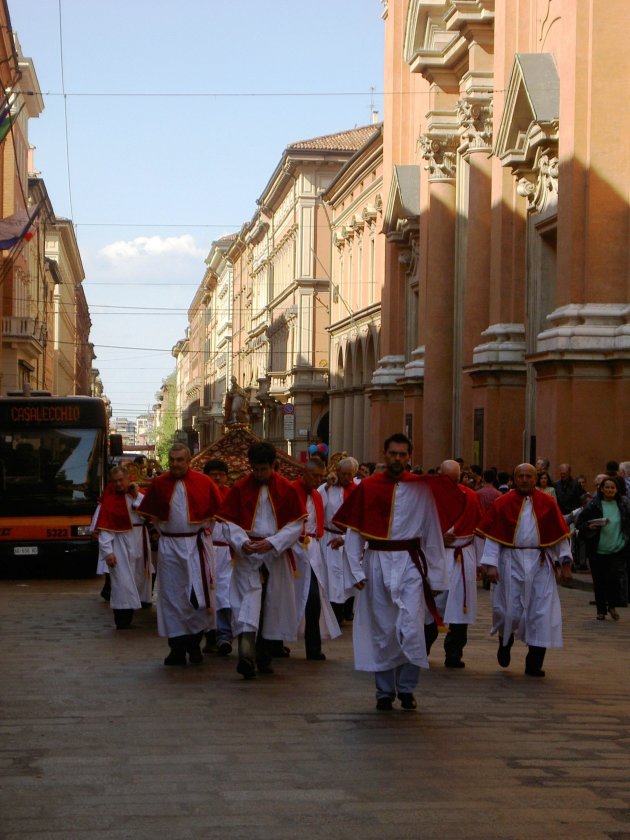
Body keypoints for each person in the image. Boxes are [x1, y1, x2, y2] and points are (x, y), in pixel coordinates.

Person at [333, 433, 465, 712]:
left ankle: (406, 688)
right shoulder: (368, 487)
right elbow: (355, 531)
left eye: (402, 454)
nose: (397, 458)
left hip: (410, 565)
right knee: (382, 629)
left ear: (409, 457)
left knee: (411, 627)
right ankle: (383, 691)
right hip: (377, 562)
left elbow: (431, 533)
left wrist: (437, 577)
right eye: (392, 453)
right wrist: (355, 571)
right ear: (385, 454)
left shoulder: (421, 489)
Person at [215, 442, 307, 680]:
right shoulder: (240, 488)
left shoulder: (287, 489)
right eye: (255, 469)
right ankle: (246, 654)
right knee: (247, 603)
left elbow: (296, 525)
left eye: (263, 469)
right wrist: (241, 541)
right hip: (248, 555)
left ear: (273, 466)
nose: (259, 474)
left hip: (274, 556)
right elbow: (228, 522)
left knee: (272, 606)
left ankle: (264, 656)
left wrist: (274, 543)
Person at [477, 463, 572, 677]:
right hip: (510, 561)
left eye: (529, 476)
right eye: (520, 476)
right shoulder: (502, 503)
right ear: (514, 479)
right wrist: (490, 565)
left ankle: (535, 661)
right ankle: (505, 640)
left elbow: (559, 535)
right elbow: (493, 537)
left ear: (536, 478)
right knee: (507, 609)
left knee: (541, 612)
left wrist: (565, 563)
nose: (524, 480)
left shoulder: (548, 503)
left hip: (539, 563)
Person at [138, 443, 223, 666]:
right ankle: (176, 648)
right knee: (171, 598)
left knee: (199, 596)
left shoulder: (204, 483)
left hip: (196, 546)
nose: (175, 464)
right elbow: (151, 515)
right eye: (172, 460)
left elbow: (217, 515)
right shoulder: (159, 484)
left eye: (180, 460)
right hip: (170, 548)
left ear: (189, 460)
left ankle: (194, 643)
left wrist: (203, 536)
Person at [435, 460, 483, 669]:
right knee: (430, 604)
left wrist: (483, 563)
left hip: (463, 556)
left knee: (460, 607)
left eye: (455, 480)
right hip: (437, 556)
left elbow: (480, 530)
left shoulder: (471, 497)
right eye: (447, 480)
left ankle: (454, 653)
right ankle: (421, 646)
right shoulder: (429, 497)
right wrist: (437, 537)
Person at [291, 459, 341, 660]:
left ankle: (313, 647)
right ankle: (272, 643)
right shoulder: (291, 491)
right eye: (315, 476)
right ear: (305, 473)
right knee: (282, 597)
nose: (317, 480)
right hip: (291, 548)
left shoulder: (318, 496)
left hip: (311, 549)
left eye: (320, 476)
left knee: (313, 599)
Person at [93, 466, 152, 629]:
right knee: (121, 579)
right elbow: (105, 527)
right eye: (115, 481)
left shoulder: (139, 493)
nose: (118, 484)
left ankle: (137, 606)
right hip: (119, 540)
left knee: (138, 576)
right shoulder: (110, 498)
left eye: (121, 480)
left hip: (140, 537)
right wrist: (108, 552)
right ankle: (122, 616)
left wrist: (135, 494)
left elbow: (148, 511)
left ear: (128, 478)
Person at [576, 477, 630, 620]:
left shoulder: (623, 504)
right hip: (597, 549)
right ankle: (601, 610)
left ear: (617, 489)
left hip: (617, 548)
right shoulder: (594, 504)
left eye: (612, 487)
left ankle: (612, 606)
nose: (609, 490)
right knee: (599, 580)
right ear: (601, 489)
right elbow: (580, 523)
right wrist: (589, 526)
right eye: (607, 487)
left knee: (614, 579)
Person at [318, 456, 360, 624]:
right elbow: (318, 503)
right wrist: (327, 485)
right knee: (331, 577)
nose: (347, 478)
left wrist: (345, 538)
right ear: (337, 472)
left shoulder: (357, 490)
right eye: (344, 474)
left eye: (350, 474)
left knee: (349, 575)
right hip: (329, 537)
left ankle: (347, 610)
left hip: (350, 538)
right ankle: (334, 613)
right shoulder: (327, 488)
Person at [202, 459, 233, 656]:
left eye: (221, 474)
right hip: (206, 550)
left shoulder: (232, 496)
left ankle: (224, 635)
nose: (218, 477)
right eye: (213, 474)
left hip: (227, 554)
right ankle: (209, 635)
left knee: (225, 594)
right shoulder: (202, 496)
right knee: (207, 593)